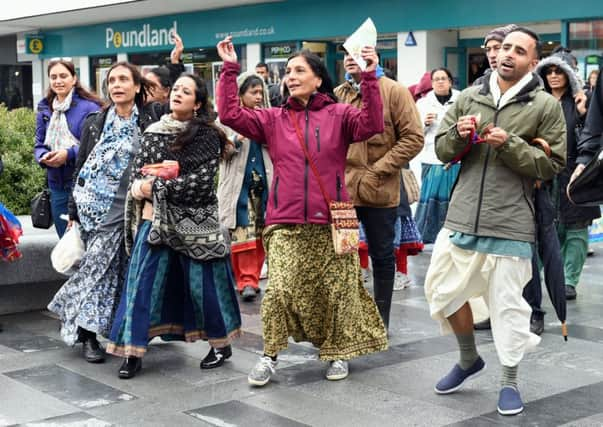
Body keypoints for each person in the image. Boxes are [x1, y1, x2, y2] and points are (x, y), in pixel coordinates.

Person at [217, 35, 388, 386]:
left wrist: (369, 78)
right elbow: (229, 114)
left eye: (298, 70)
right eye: (288, 72)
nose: (290, 76)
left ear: (318, 78)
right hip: (284, 220)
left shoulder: (340, 114)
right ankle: (270, 356)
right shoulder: (272, 118)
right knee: (279, 290)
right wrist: (230, 70)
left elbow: (372, 125)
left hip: (333, 219)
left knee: (337, 290)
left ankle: (337, 352)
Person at [424, 28, 566, 415]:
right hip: (463, 213)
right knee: (442, 291)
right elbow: (441, 149)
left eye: (519, 51)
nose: (508, 55)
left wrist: (511, 145)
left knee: (508, 307)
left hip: (511, 219)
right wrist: (458, 133)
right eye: (504, 47)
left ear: (532, 62)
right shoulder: (470, 96)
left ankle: (509, 381)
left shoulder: (543, 106)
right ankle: (469, 358)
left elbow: (552, 165)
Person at [107, 73, 241, 378]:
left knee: (202, 288)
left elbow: (202, 183)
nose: (178, 94)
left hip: (196, 223)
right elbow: (138, 175)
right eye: (176, 89)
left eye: (186, 91)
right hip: (154, 221)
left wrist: (153, 188)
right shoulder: (154, 131)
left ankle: (220, 345)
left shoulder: (207, 135)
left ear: (198, 102)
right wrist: (142, 187)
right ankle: (133, 351)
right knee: (142, 284)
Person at [47, 62, 160, 362]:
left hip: (128, 211)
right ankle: (87, 337)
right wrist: (72, 210)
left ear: (137, 86)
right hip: (91, 208)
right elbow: (81, 166)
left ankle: (100, 327)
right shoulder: (96, 121)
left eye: (124, 79)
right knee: (96, 270)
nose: (117, 85)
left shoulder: (150, 119)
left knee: (112, 274)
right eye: (112, 80)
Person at [335, 48, 423, 331]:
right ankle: (346, 320)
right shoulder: (338, 93)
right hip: (343, 193)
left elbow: (413, 138)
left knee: (382, 255)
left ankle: (380, 321)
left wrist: (378, 170)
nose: (350, 58)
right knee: (343, 254)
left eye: (357, 53)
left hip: (381, 190)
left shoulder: (394, 91)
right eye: (346, 54)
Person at [533, 53, 599, 304]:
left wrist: (583, 112)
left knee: (576, 228)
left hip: (576, 171)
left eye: (558, 71)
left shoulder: (582, 100)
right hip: (544, 171)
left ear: (567, 75)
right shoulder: (536, 101)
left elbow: (593, 133)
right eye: (548, 71)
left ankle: (570, 279)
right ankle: (536, 275)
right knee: (545, 225)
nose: (553, 76)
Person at [217, 72, 273, 302]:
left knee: (261, 231)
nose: (258, 96)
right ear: (240, 94)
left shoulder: (269, 118)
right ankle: (246, 280)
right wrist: (236, 140)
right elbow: (219, 153)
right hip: (239, 187)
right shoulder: (226, 122)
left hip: (265, 185)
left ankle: (254, 275)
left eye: (261, 92)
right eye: (253, 92)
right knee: (241, 231)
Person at [34, 59, 103, 237]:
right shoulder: (45, 109)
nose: (58, 81)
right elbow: (39, 144)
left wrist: (68, 154)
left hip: (84, 185)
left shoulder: (90, 108)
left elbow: (95, 146)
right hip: (56, 185)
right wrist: (43, 157)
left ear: (74, 79)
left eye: (63, 76)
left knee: (84, 241)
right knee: (64, 242)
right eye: (54, 77)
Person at [412, 67, 460, 244]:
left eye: (443, 78)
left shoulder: (461, 99)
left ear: (450, 81)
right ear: (431, 84)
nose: (440, 82)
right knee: (431, 199)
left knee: (453, 197)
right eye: (436, 79)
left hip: (455, 157)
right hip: (431, 158)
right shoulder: (423, 104)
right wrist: (424, 123)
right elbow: (414, 133)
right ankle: (429, 234)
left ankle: (452, 233)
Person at [144, 33, 185, 104]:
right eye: (144, 87)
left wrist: (175, 61)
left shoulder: (174, 113)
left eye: (151, 87)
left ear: (166, 91)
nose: (146, 91)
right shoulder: (136, 111)